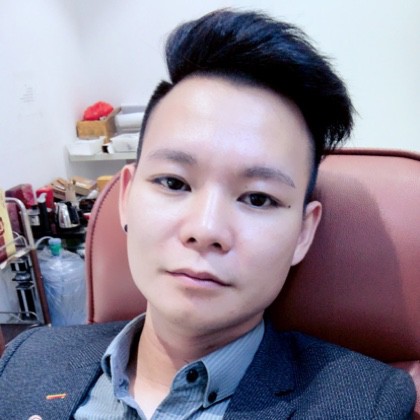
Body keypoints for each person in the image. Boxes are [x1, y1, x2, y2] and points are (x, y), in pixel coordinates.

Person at [0, 9, 416, 419]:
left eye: (258, 199)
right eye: (174, 182)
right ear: (125, 196)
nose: (205, 228)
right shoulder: (26, 362)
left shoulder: (368, 405)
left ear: (303, 233)